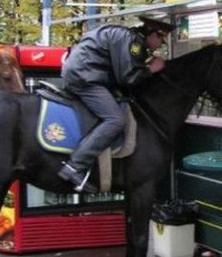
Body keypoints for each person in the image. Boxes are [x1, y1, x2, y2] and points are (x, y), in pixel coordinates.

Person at [58, 16, 173, 192]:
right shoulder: (132, 41)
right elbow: (127, 77)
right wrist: (151, 69)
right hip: (86, 77)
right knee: (115, 119)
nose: (161, 45)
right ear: (153, 34)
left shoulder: (127, 38)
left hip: (83, 72)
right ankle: (75, 166)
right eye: (161, 39)